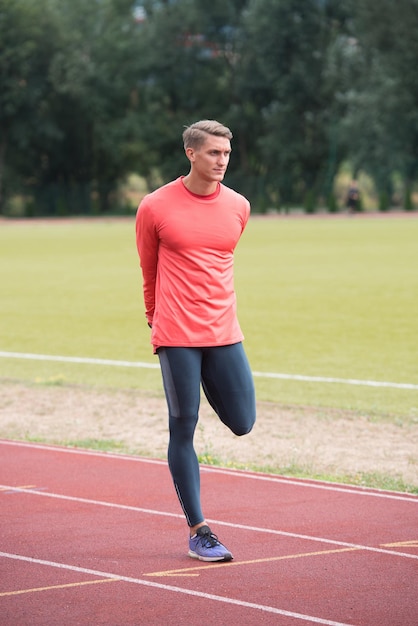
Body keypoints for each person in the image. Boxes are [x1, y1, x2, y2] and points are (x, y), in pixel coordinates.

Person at [135, 119, 256, 562]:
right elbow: (148, 269)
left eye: (226, 153)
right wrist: (156, 321)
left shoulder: (239, 206)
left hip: (224, 331)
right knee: (183, 423)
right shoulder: (155, 206)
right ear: (191, 153)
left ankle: (205, 378)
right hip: (176, 333)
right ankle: (199, 530)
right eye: (213, 153)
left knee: (243, 421)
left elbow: (219, 262)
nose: (221, 160)